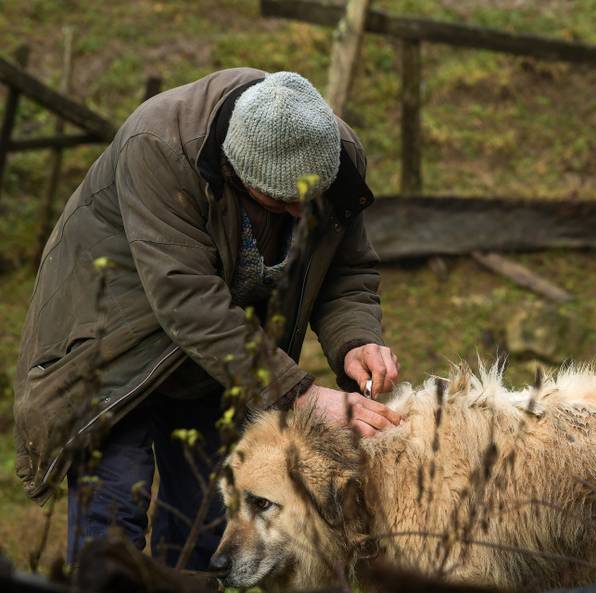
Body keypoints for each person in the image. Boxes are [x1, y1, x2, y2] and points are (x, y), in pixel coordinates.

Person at [13, 68, 401, 568]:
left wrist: (357, 340)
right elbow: (187, 297)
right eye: (282, 203)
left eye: (312, 203)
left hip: (217, 357)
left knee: (202, 519)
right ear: (234, 173)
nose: (302, 215)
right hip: (110, 348)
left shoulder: (333, 158)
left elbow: (345, 269)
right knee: (112, 519)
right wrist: (300, 394)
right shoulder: (158, 146)